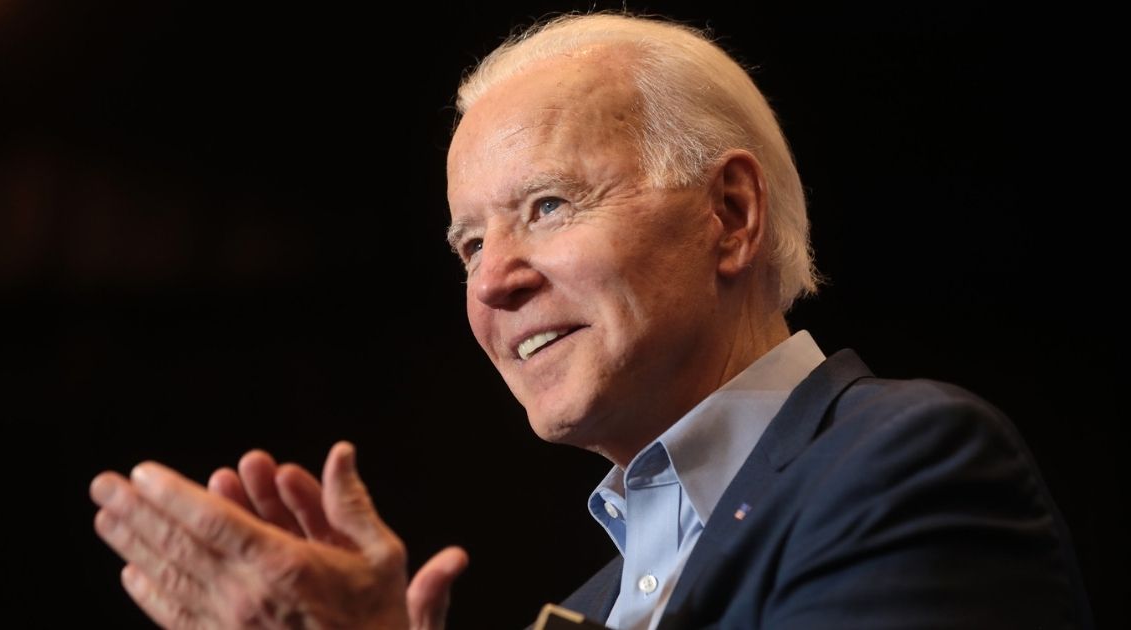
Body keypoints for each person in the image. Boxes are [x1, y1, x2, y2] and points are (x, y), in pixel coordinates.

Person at [89, 12, 1092, 629]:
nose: (493, 282)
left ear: (729, 217)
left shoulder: (905, 465)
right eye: (469, 244)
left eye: (548, 207)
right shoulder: (598, 601)